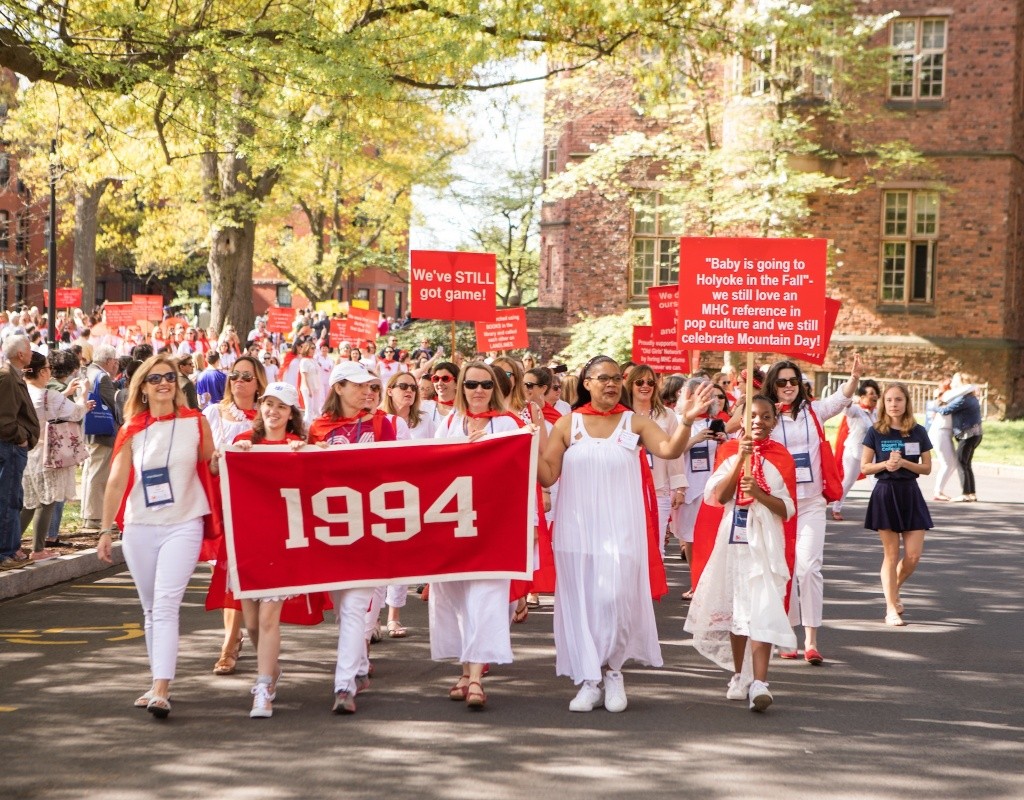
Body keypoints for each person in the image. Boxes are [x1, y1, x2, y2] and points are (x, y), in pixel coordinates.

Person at [535, 355, 714, 712]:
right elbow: (547, 475)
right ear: (587, 382)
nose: (612, 384)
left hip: (621, 529)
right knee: (583, 604)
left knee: (614, 599)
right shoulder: (569, 425)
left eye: (617, 378)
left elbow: (668, 449)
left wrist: (687, 422)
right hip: (577, 530)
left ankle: (613, 670)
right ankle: (590, 679)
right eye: (603, 378)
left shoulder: (635, 421)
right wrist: (527, 442)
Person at [96, 354, 218, 718]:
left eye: (170, 377)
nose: (164, 383)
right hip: (139, 528)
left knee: (165, 605)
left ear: (178, 384)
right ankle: (154, 682)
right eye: (155, 379)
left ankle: (162, 688)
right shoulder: (132, 428)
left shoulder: (196, 422)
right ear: (143, 389)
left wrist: (231, 456)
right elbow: (116, 481)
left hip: (184, 523)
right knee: (150, 608)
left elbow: (211, 465)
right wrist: (106, 529)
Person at [433, 361, 538, 709]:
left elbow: (525, 472)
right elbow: (429, 468)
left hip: (495, 526)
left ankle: (477, 676)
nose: (478, 390)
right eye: (472, 384)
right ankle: (465, 671)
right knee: (458, 602)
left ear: (496, 388)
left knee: (486, 600)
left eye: (486, 385)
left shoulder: (509, 423)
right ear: (462, 388)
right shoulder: (448, 422)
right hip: (454, 527)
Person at [684, 396, 797, 712]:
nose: (758, 421)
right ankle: (739, 674)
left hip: (766, 542)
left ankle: (761, 681)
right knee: (738, 608)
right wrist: (738, 464)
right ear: (742, 421)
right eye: (752, 416)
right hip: (734, 538)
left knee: (763, 606)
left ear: (774, 421)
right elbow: (719, 496)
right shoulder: (730, 452)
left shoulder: (782, 457)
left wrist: (760, 494)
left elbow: (787, 507)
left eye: (765, 416)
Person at [307, 361, 396, 714]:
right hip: (332, 529)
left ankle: (344, 686)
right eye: (360, 386)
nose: (368, 392)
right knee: (345, 610)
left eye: (372, 387)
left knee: (356, 606)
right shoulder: (316, 429)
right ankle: (358, 668)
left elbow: (397, 465)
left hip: (369, 527)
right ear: (338, 387)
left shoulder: (382, 424)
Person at [763, 355, 862, 664]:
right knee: (784, 571)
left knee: (808, 569)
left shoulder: (814, 412)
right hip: (777, 504)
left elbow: (841, 397)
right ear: (773, 386)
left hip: (811, 503)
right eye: (782, 382)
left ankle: (811, 641)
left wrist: (855, 378)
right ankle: (786, 635)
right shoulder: (765, 416)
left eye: (794, 381)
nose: (789, 386)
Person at [230, 381, 308, 718]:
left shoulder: (299, 445)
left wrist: (307, 458)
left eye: (281, 406)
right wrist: (229, 458)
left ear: (291, 414)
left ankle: (262, 687)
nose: (273, 411)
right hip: (247, 542)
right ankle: (271, 669)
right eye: (268, 404)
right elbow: (217, 471)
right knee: (251, 621)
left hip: (283, 542)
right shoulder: (243, 442)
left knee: (268, 616)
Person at [203, 355, 267, 676]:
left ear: (258, 382)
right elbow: (200, 456)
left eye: (247, 376)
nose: (239, 381)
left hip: (253, 505)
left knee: (237, 573)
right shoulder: (213, 412)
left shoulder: (268, 417)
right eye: (235, 375)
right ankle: (235, 635)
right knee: (226, 571)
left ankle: (230, 643)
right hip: (220, 501)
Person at [860, 383, 933, 626]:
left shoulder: (918, 431)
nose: (894, 404)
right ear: (883, 403)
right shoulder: (875, 431)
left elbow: (926, 468)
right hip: (885, 493)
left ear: (906, 402)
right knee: (891, 555)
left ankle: (893, 587)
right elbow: (865, 467)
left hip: (910, 493)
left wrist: (903, 463)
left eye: (898, 399)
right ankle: (891, 607)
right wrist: (885, 465)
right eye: (889, 400)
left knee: (913, 556)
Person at [19, 352, 92, 561]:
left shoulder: (22, 391)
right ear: (42, 371)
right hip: (46, 452)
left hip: (26, 452)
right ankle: (38, 548)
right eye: (48, 368)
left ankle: (12, 545)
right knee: (46, 500)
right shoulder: (47, 395)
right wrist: (83, 393)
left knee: (28, 503)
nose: (50, 372)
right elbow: (76, 412)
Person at [624, 365, 686, 559]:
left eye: (650, 382)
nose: (645, 386)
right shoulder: (622, 415)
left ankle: (653, 590)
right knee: (629, 548)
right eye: (639, 382)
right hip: (627, 489)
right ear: (630, 384)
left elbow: (676, 452)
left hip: (658, 490)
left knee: (656, 549)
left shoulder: (667, 415)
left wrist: (680, 488)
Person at [675, 378, 728, 597]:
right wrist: (694, 439)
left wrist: (724, 441)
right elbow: (672, 452)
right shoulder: (679, 421)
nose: (705, 399)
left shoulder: (716, 422)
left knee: (712, 538)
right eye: (700, 394)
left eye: (709, 395)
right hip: (687, 487)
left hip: (711, 488)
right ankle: (695, 582)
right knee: (689, 538)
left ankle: (710, 584)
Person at [0, 336, 41, 570]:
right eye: (29, 349)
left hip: (14, 447)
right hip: (10, 447)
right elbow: (5, 419)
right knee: (8, 499)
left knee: (14, 498)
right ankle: (5, 552)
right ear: (20, 354)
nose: (31, 353)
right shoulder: (7, 377)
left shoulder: (13, 376)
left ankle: (11, 548)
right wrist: (21, 437)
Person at [79, 345, 121, 533]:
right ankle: (94, 516)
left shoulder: (87, 371)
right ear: (109, 361)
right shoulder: (102, 376)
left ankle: (88, 513)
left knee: (91, 472)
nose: (116, 365)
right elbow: (113, 403)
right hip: (102, 431)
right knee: (99, 473)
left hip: (88, 427)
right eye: (115, 361)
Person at [831, 379, 880, 521]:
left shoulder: (877, 413)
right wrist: (851, 395)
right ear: (863, 396)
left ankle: (881, 510)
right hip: (853, 452)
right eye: (871, 393)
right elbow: (847, 407)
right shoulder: (856, 410)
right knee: (848, 482)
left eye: (876, 393)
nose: (874, 396)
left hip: (871, 454)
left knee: (876, 482)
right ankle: (836, 508)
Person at [936, 374, 983, 502]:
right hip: (975, 434)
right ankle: (971, 493)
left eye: (955, 382)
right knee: (966, 463)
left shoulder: (963, 399)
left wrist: (934, 406)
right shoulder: (971, 397)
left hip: (967, 435)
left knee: (961, 463)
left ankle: (965, 493)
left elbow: (946, 410)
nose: (952, 384)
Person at [927, 377, 957, 501]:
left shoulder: (946, 397)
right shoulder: (947, 397)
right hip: (941, 432)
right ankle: (938, 491)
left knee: (953, 462)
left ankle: (939, 490)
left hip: (945, 432)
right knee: (946, 463)